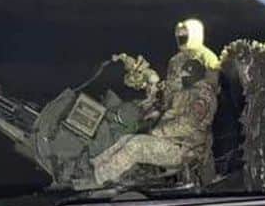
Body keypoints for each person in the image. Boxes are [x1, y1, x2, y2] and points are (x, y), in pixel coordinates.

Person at [89, 18, 220, 187]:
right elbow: (170, 96)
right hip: (174, 129)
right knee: (127, 139)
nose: (181, 38)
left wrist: (159, 131)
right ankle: (94, 168)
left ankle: (98, 180)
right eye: (179, 35)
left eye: (184, 35)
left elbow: (192, 120)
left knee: (135, 145)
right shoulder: (176, 63)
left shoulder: (207, 60)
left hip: (185, 142)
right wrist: (156, 104)